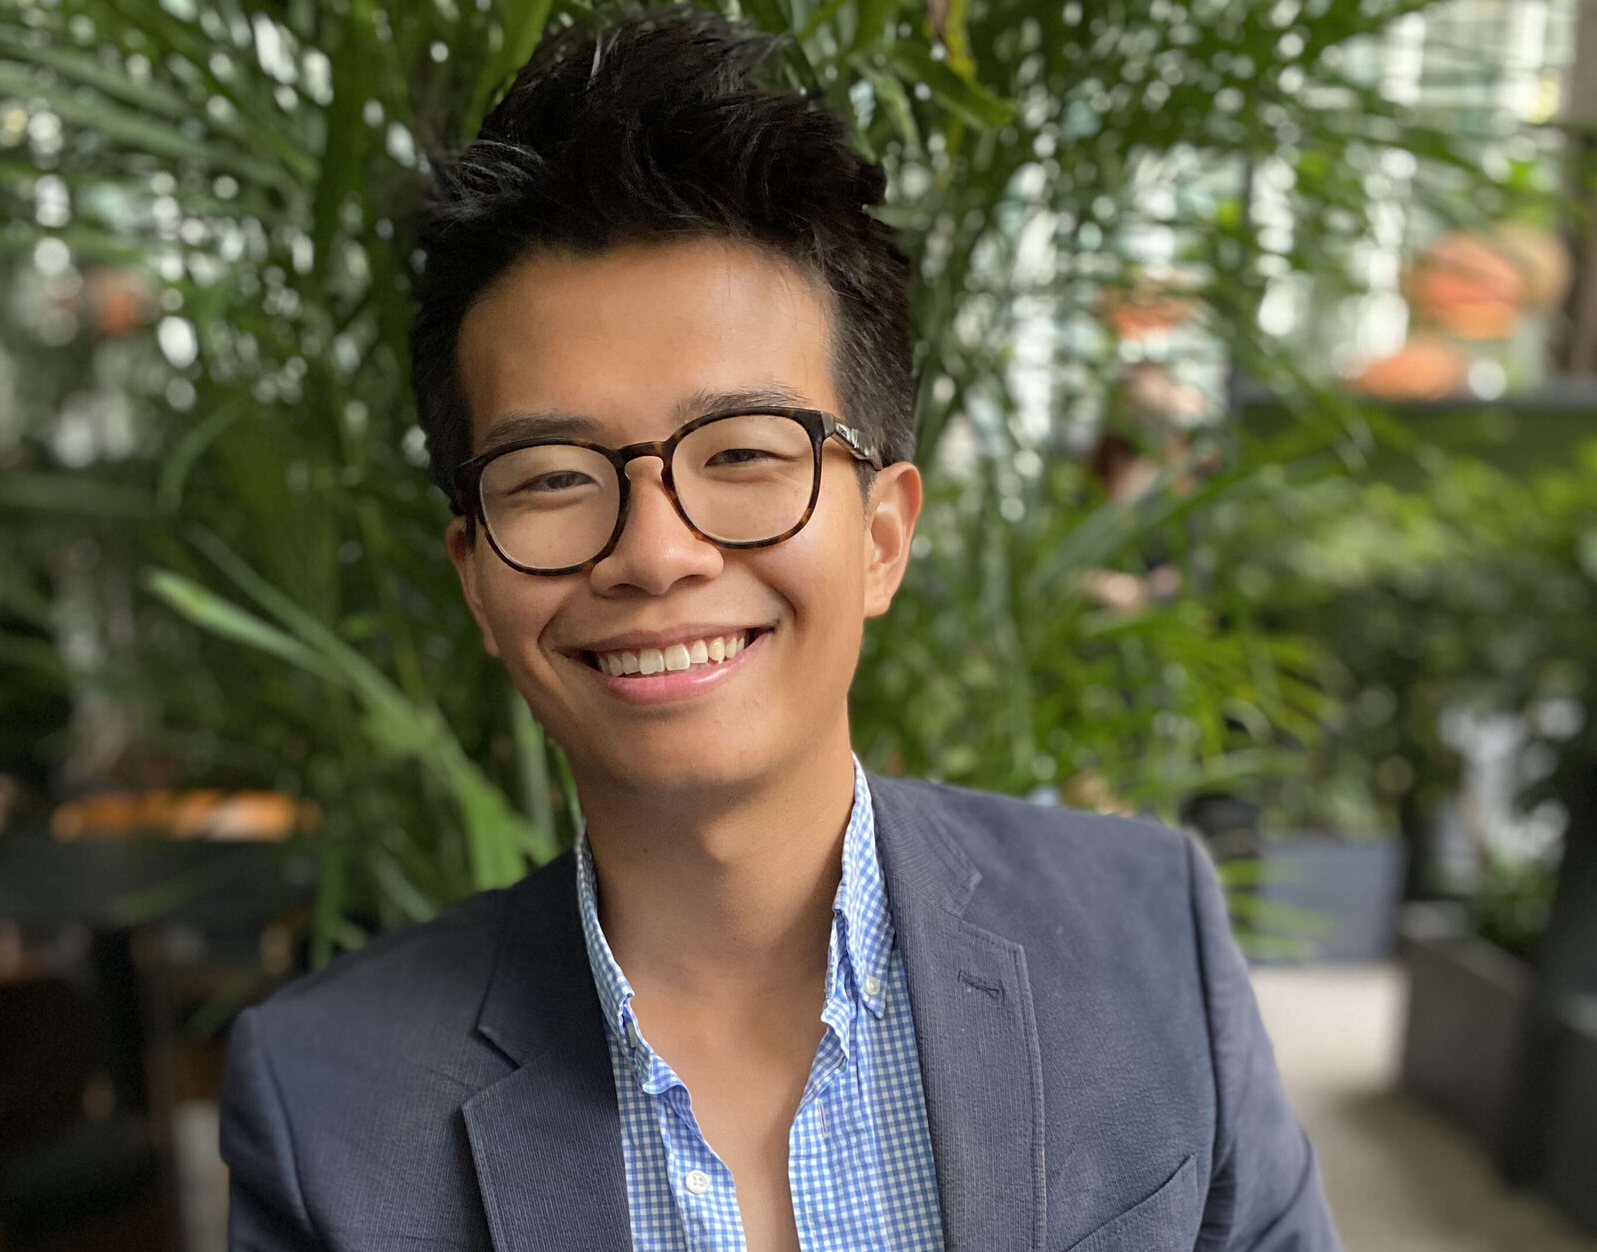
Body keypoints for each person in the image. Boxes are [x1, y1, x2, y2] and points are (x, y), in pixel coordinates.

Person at [219, 8, 1342, 1251]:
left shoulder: (1148, 941)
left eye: (744, 453)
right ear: (477, 577)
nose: (654, 551)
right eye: (550, 476)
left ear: (881, 535)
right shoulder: (327, 1100)